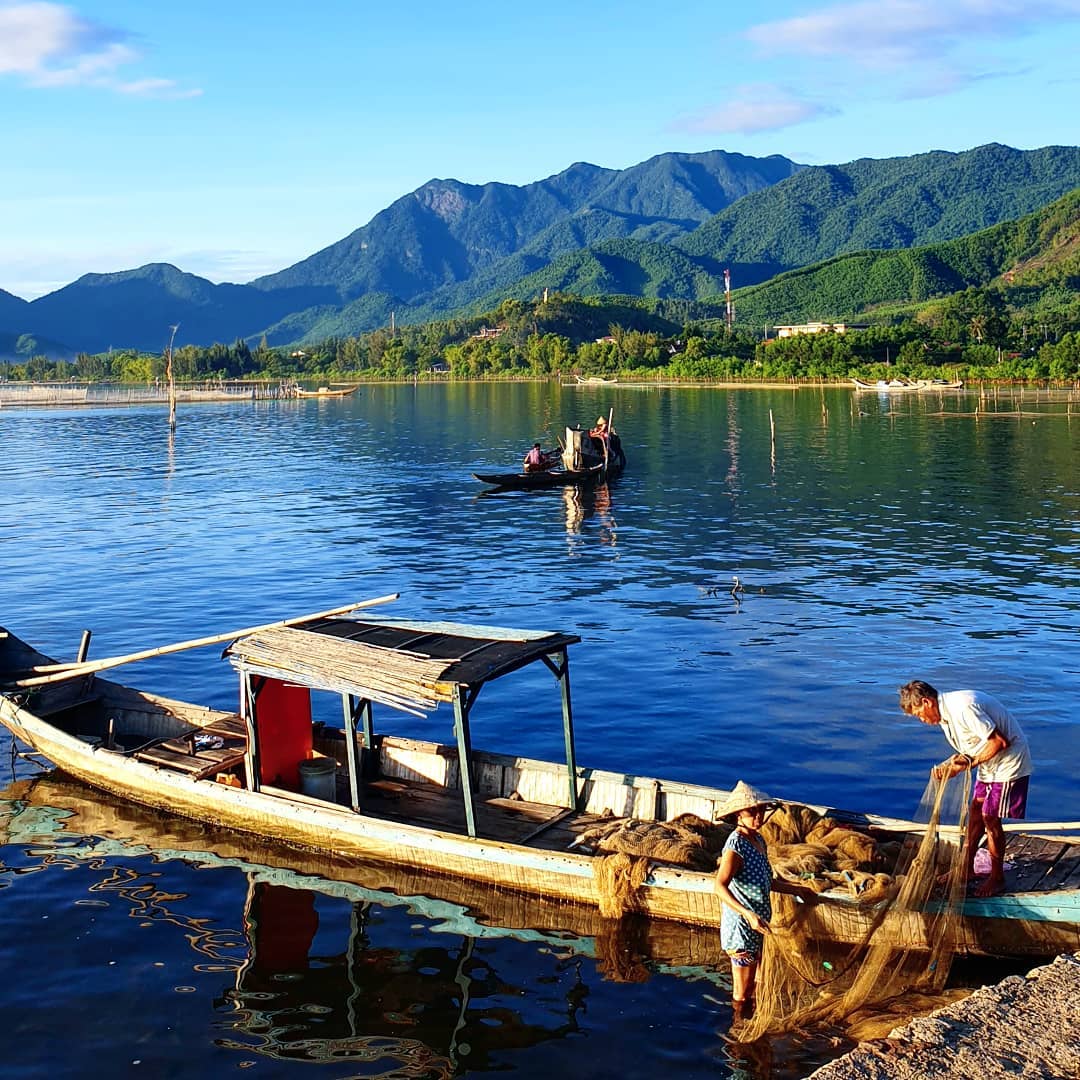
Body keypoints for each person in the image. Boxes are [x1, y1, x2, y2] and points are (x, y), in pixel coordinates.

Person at [898, 680, 1032, 898]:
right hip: (990, 764)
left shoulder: (963, 707)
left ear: (926, 701)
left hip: (1008, 763)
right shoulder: (945, 717)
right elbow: (972, 748)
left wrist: (966, 765)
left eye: (919, 714)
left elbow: (999, 742)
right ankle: (966, 868)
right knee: (976, 813)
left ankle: (997, 878)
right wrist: (951, 764)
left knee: (990, 817)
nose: (922, 720)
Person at [713, 780, 816, 1020]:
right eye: (752, 812)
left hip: (759, 925)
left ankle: (755, 1021)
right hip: (742, 928)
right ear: (738, 815)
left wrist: (797, 889)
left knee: (758, 981)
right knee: (741, 992)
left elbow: (766, 881)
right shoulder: (735, 846)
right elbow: (719, 886)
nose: (758, 817)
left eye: (761, 811)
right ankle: (738, 1033)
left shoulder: (758, 841)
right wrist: (747, 914)